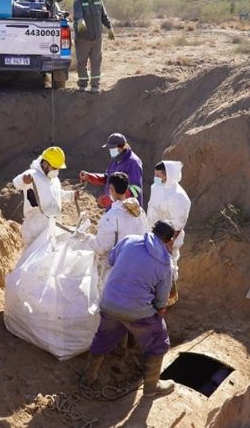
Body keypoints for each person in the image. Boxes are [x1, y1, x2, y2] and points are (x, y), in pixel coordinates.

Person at [80, 220, 177, 398]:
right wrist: (155, 316)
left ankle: (88, 378)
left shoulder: (130, 240)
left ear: (152, 231)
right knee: (158, 341)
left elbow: (111, 259)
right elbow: (162, 303)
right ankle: (151, 387)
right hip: (137, 311)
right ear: (169, 240)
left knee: (103, 335)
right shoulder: (165, 264)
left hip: (109, 302)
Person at [12, 147, 76, 247]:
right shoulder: (33, 174)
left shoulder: (54, 179)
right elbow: (17, 182)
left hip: (52, 227)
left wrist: (72, 195)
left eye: (58, 168)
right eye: (54, 167)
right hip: (35, 230)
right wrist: (24, 180)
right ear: (45, 164)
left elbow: (58, 194)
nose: (57, 170)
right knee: (35, 261)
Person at [147, 161, 191, 306]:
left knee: (168, 268)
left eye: (159, 176)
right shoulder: (156, 187)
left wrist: (169, 242)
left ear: (168, 177)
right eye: (155, 175)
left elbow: (178, 223)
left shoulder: (178, 196)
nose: (156, 178)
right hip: (152, 233)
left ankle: (168, 299)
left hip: (167, 239)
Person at [79, 133, 143, 210]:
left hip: (127, 211)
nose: (110, 150)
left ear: (122, 146)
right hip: (113, 208)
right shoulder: (115, 160)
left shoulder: (133, 163)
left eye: (113, 148)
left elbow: (135, 189)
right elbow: (108, 177)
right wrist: (90, 177)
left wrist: (111, 198)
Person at [73, 0, 115, 93]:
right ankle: (82, 85)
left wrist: (110, 28)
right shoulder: (78, 1)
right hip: (83, 38)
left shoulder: (98, 0)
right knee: (82, 62)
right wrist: (80, 20)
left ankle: (95, 86)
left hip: (97, 38)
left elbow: (104, 16)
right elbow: (78, 14)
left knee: (96, 61)